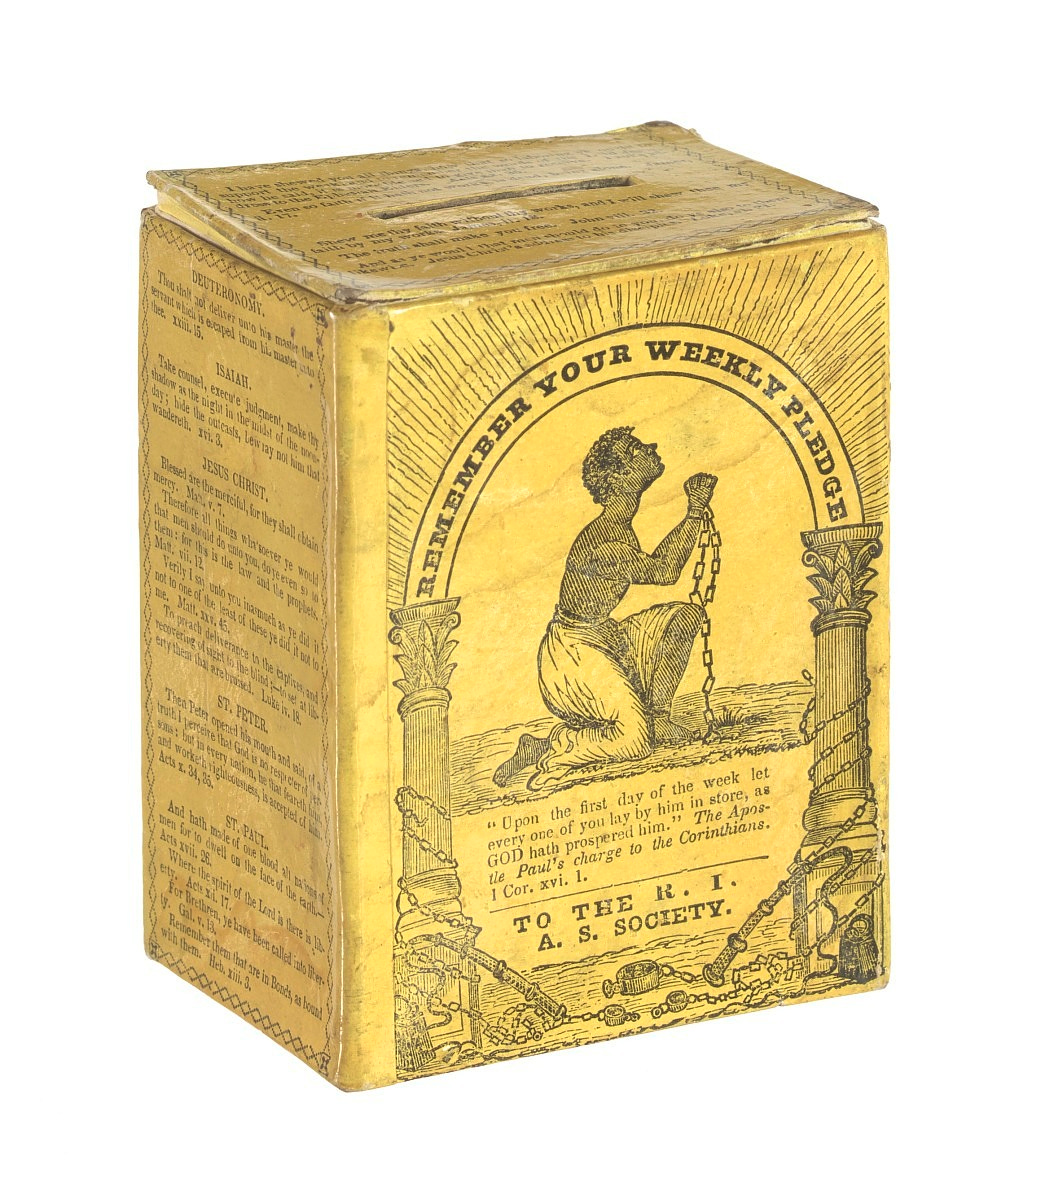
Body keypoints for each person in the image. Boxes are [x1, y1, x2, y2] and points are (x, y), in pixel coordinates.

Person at [493, 426, 717, 790]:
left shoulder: (620, 527)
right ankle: (551, 746)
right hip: (571, 656)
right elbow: (664, 571)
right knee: (634, 742)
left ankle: (657, 716)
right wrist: (694, 511)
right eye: (637, 448)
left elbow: (657, 564)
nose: (651, 445)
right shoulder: (604, 543)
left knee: (685, 617)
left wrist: (693, 513)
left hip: (605, 637)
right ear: (620, 476)